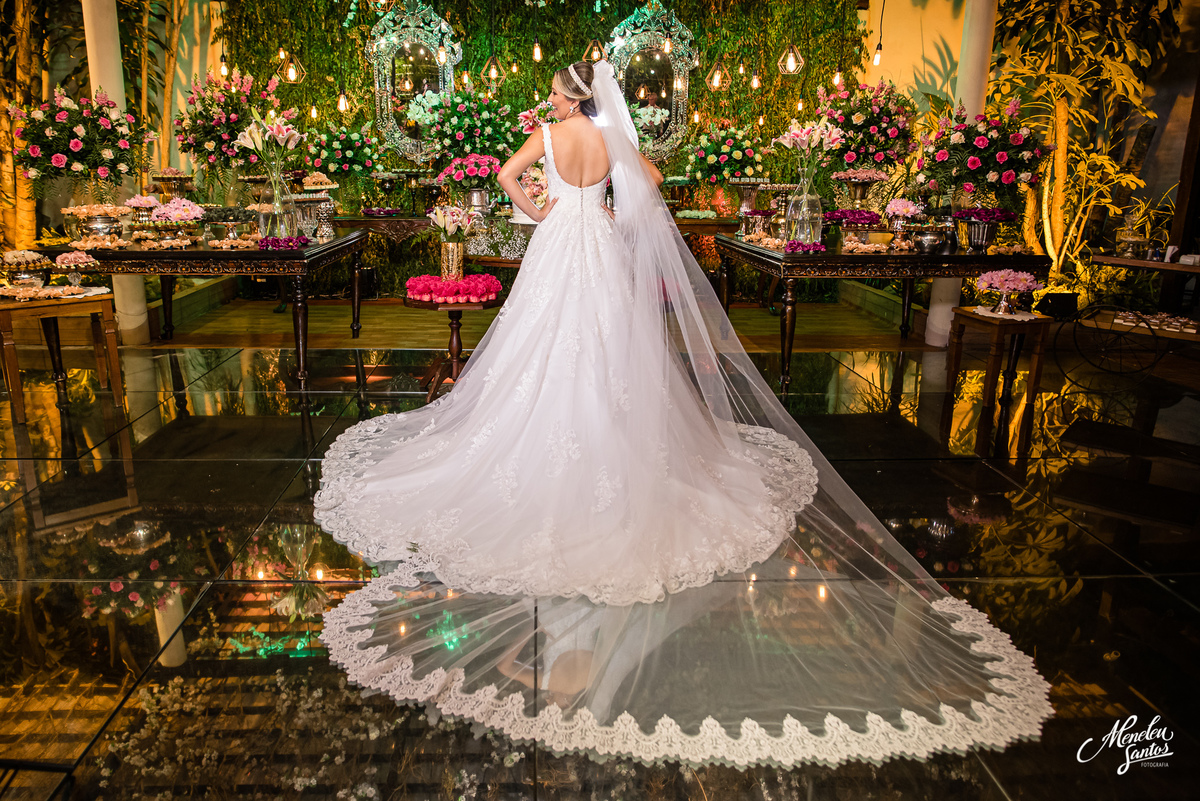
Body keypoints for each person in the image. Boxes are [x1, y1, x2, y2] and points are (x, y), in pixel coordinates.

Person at [317, 61, 1053, 768]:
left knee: (540, 348)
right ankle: (612, 442)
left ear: (568, 99)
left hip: (556, 245)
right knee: (609, 349)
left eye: (553, 93)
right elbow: (654, 182)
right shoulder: (610, 140)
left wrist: (545, 208)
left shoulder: (546, 136)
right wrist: (603, 202)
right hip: (599, 243)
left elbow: (504, 176)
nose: (550, 101)